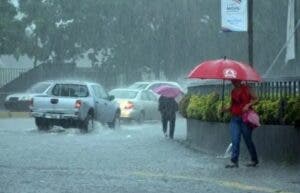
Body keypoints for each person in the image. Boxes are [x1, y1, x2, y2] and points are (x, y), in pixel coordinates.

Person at [222, 80, 259, 168]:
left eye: (235, 81)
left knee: (248, 140)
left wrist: (248, 105)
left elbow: (256, 98)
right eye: (232, 81)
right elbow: (232, 106)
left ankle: (254, 159)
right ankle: (234, 161)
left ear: (240, 80)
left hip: (245, 119)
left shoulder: (247, 89)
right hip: (235, 119)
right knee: (235, 139)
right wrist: (225, 109)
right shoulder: (233, 91)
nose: (233, 82)